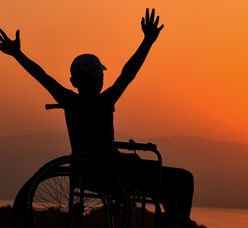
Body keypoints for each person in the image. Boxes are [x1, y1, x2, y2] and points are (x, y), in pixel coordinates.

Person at [0, 8, 194, 227]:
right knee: (183, 180)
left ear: (74, 82)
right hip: (114, 173)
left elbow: (43, 77)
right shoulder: (105, 100)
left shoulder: (70, 101)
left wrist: (17, 55)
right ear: (100, 80)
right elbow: (129, 72)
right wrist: (147, 42)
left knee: (167, 193)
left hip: (84, 173)